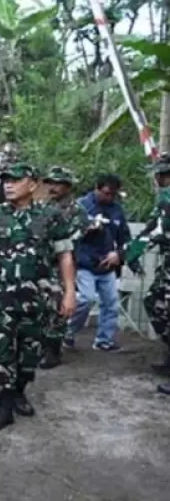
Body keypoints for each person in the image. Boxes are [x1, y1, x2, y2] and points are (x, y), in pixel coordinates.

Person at [0, 163, 76, 430]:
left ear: (32, 184)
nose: (8, 184)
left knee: (30, 352)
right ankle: (2, 406)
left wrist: (70, 292)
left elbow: (64, 255)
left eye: (16, 180)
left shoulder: (50, 216)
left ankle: (19, 391)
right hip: (0, 298)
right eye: (6, 180)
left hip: (37, 298)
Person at [64, 174, 130, 352]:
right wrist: (87, 228)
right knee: (85, 299)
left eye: (113, 194)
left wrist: (118, 254)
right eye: (106, 193)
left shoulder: (117, 210)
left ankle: (104, 340)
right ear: (97, 189)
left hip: (107, 264)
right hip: (85, 263)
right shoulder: (81, 207)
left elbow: (125, 237)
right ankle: (66, 331)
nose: (109, 198)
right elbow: (68, 235)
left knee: (111, 303)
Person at [40, 167, 89, 369]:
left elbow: (76, 236)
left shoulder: (77, 210)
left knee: (58, 306)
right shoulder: (42, 207)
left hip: (61, 264)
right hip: (41, 264)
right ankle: (41, 345)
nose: (53, 187)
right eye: (50, 183)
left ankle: (53, 349)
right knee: (40, 306)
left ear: (67, 186)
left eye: (57, 183)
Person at [128, 155, 170, 390]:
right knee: (156, 301)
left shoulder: (167, 198)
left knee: (157, 304)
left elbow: (152, 231)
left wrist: (131, 255)